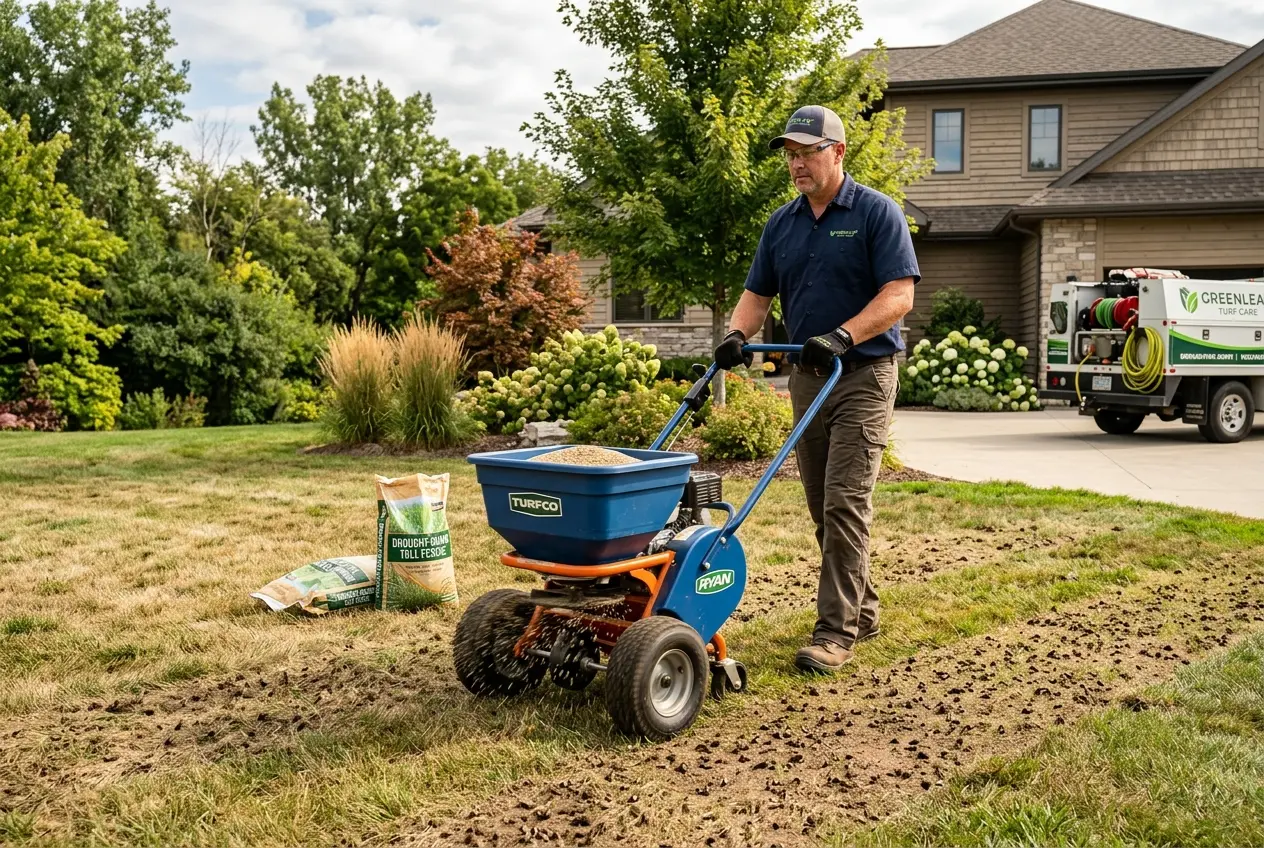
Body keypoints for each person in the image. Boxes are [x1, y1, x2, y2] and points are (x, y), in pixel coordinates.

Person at [713, 104, 919, 673]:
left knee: (844, 501)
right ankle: (863, 610)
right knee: (820, 506)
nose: (797, 164)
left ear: (838, 152)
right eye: (791, 154)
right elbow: (757, 296)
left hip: (863, 373)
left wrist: (843, 335)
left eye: (808, 152)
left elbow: (899, 295)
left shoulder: (876, 212)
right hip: (808, 377)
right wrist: (735, 335)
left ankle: (834, 633)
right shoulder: (781, 224)